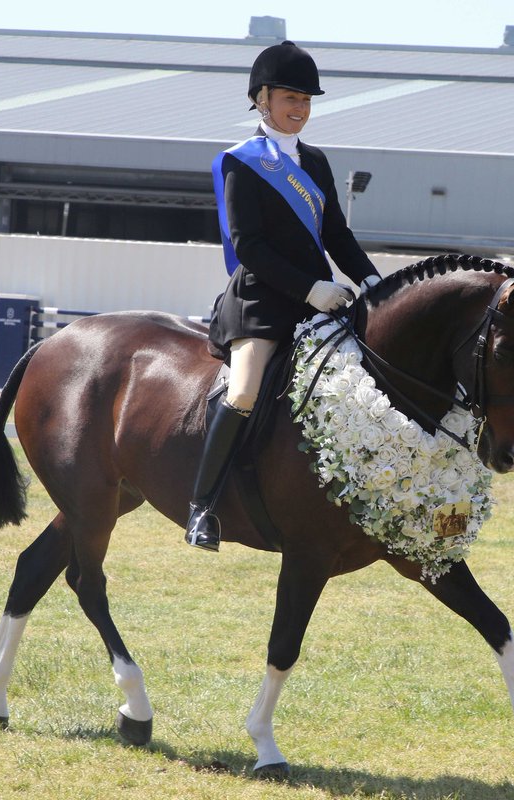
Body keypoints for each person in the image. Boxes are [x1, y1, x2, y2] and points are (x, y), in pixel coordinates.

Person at [187, 41, 381, 552]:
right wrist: (310, 287)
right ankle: (202, 506)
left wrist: (373, 281)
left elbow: (337, 235)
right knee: (245, 389)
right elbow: (248, 246)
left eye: (307, 100)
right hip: (261, 302)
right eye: (291, 98)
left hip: (320, 299)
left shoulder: (315, 162)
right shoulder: (241, 163)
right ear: (263, 99)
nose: (300, 108)